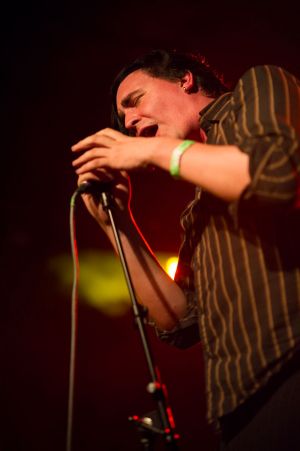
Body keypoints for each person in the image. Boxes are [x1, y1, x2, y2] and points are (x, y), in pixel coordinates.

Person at [71, 49, 300, 450]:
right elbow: (179, 321)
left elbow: (276, 174)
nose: (130, 123)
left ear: (185, 80)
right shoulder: (199, 210)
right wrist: (116, 223)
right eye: (124, 121)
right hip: (240, 411)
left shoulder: (257, 85)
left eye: (135, 101)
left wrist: (149, 151)